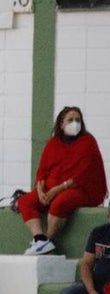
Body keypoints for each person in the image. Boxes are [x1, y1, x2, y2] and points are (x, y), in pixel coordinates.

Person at [18, 106, 107, 255]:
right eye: (70, 120)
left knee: (61, 202)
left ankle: (48, 240)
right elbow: (42, 171)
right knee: (25, 201)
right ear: (61, 124)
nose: (75, 123)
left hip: (80, 189)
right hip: (50, 188)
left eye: (78, 120)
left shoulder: (88, 142)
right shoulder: (53, 143)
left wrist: (56, 190)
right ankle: (39, 238)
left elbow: (82, 175)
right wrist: (40, 191)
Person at [56, 207, 110, 294]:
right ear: (108, 217)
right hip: (96, 286)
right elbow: (86, 264)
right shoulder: (98, 233)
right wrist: (91, 291)